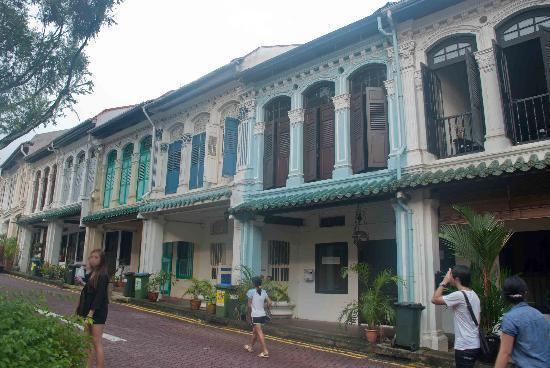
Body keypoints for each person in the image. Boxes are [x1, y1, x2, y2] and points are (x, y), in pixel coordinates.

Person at [494, 276, 550, 368]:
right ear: (525, 293)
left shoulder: (510, 318)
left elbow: (505, 353)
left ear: (505, 296)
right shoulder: (539, 315)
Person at [431, 265, 480, 368]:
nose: (449, 278)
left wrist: (444, 282)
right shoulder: (474, 295)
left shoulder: (459, 295)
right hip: (474, 344)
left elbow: (434, 299)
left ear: (457, 279)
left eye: (451, 276)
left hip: (464, 347)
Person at [76, 249, 109, 368]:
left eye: (96, 257)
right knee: (86, 342)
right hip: (87, 310)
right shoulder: (90, 274)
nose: (93, 259)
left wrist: (90, 314)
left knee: (96, 342)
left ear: (101, 260)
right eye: (91, 257)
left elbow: (99, 296)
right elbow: (87, 293)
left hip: (97, 312)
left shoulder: (103, 275)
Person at [244, 276, 272, 358]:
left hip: (255, 315)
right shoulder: (264, 292)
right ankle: (250, 347)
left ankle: (265, 350)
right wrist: (264, 307)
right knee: (255, 332)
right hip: (262, 314)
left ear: (254, 283)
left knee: (259, 332)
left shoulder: (251, 292)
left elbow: (249, 305)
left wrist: (248, 316)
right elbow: (270, 303)